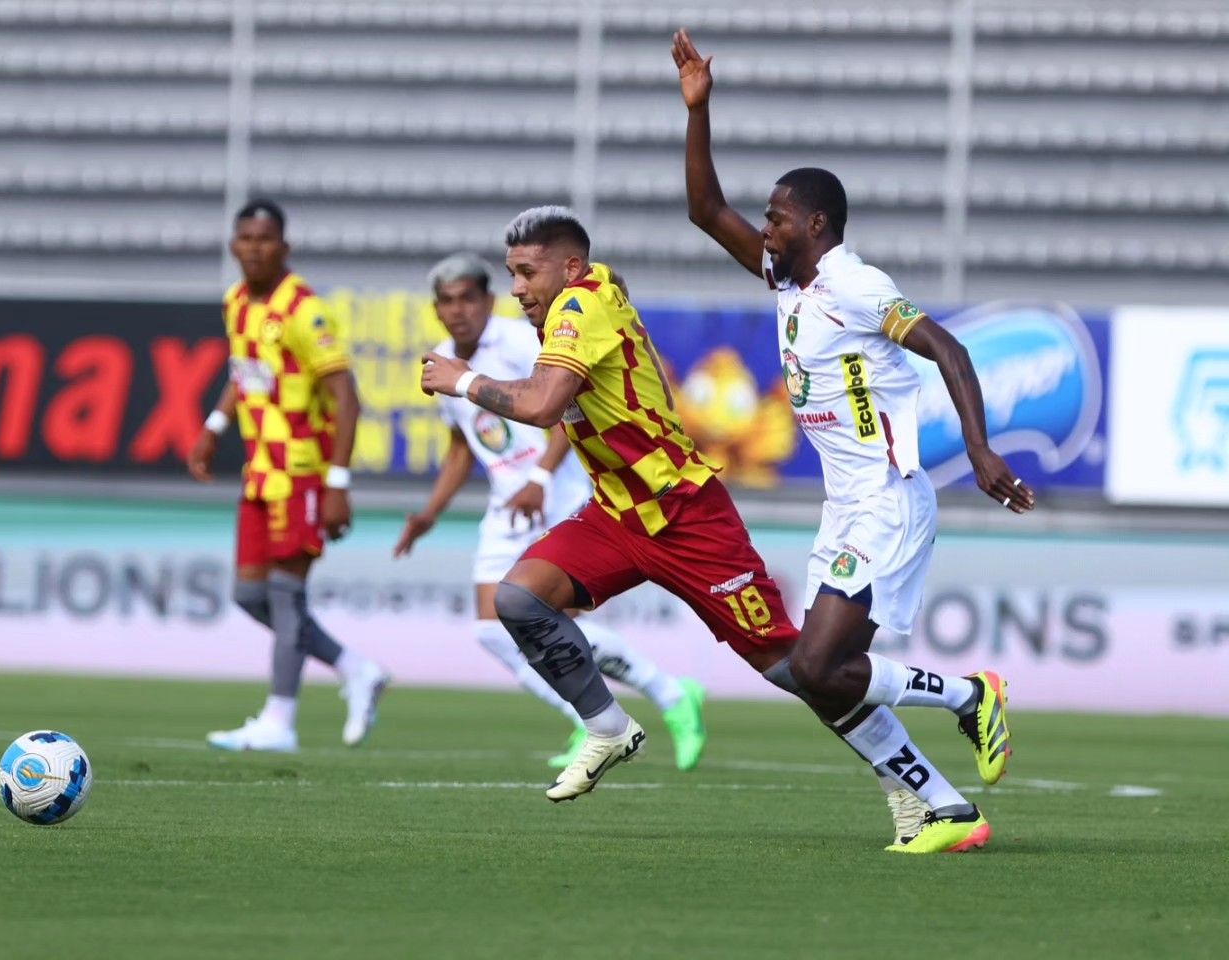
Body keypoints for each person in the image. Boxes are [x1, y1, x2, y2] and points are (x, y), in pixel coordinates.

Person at [673, 28, 1033, 852]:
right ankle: (946, 808)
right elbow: (703, 210)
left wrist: (978, 451)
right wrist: (699, 110)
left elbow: (950, 347)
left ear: (817, 223)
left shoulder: (856, 286)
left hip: (889, 499)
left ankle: (970, 697)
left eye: (777, 217)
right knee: (824, 683)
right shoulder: (787, 280)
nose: (764, 228)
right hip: (849, 505)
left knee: (815, 670)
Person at [395, 252, 708, 771]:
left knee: (547, 620)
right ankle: (611, 713)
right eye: (447, 301)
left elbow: (566, 408)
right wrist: (429, 513)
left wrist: (539, 478)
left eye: (468, 298)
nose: (458, 310)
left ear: (488, 300)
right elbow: (461, 447)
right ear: (436, 309)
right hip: (505, 505)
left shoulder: (520, 341)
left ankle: (666, 696)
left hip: (555, 493)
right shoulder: (448, 365)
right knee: (492, 630)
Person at [189, 198, 389, 753]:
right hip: (261, 473)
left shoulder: (305, 311)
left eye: (265, 239)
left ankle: (280, 721)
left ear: (285, 247)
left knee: (284, 597)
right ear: (234, 246)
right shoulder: (235, 302)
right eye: (245, 239)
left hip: (303, 473)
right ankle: (355, 668)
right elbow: (244, 370)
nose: (254, 248)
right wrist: (214, 423)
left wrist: (337, 484)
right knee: (248, 596)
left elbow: (348, 399)